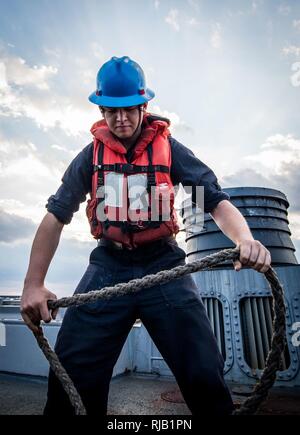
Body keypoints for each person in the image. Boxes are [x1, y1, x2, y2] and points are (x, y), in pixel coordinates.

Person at [21, 56, 271, 415]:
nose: (120, 119)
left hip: (163, 262)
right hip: (108, 264)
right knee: (71, 371)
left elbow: (214, 201)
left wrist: (244, 239)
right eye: (111, 111)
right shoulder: (90, 157)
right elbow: (55, 217)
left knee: (202, 366)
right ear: (102, 109)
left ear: (143, 105)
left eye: (128, 110)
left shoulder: (172, 150)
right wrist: (33, 284)